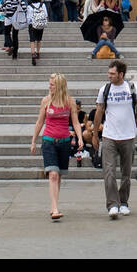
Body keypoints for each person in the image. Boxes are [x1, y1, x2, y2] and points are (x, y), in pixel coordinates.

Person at [92, 60, 137, 218]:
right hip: (109, 136)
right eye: (109, 73)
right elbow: (99, 111)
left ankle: (123, 202)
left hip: (128, 136)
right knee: (109, 172)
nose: (109, 76)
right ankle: (112, 204)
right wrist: (95, 134)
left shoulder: (132, 88)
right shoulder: (105, 89)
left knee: (126, 172)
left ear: (121, 74)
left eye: (112, 74)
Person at [31, 73, 86, 220]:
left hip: (64, 141)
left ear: (60, 86)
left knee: (59, 174)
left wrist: (80, 138)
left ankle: (53, 204)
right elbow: (39, 122)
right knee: (53, 174)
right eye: (49, 84)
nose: (49, 87)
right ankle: (55, 208)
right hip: (49, 140)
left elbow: (75, 122)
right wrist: (33, 140)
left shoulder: (70, 101)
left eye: (52, 84)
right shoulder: (46, 101)